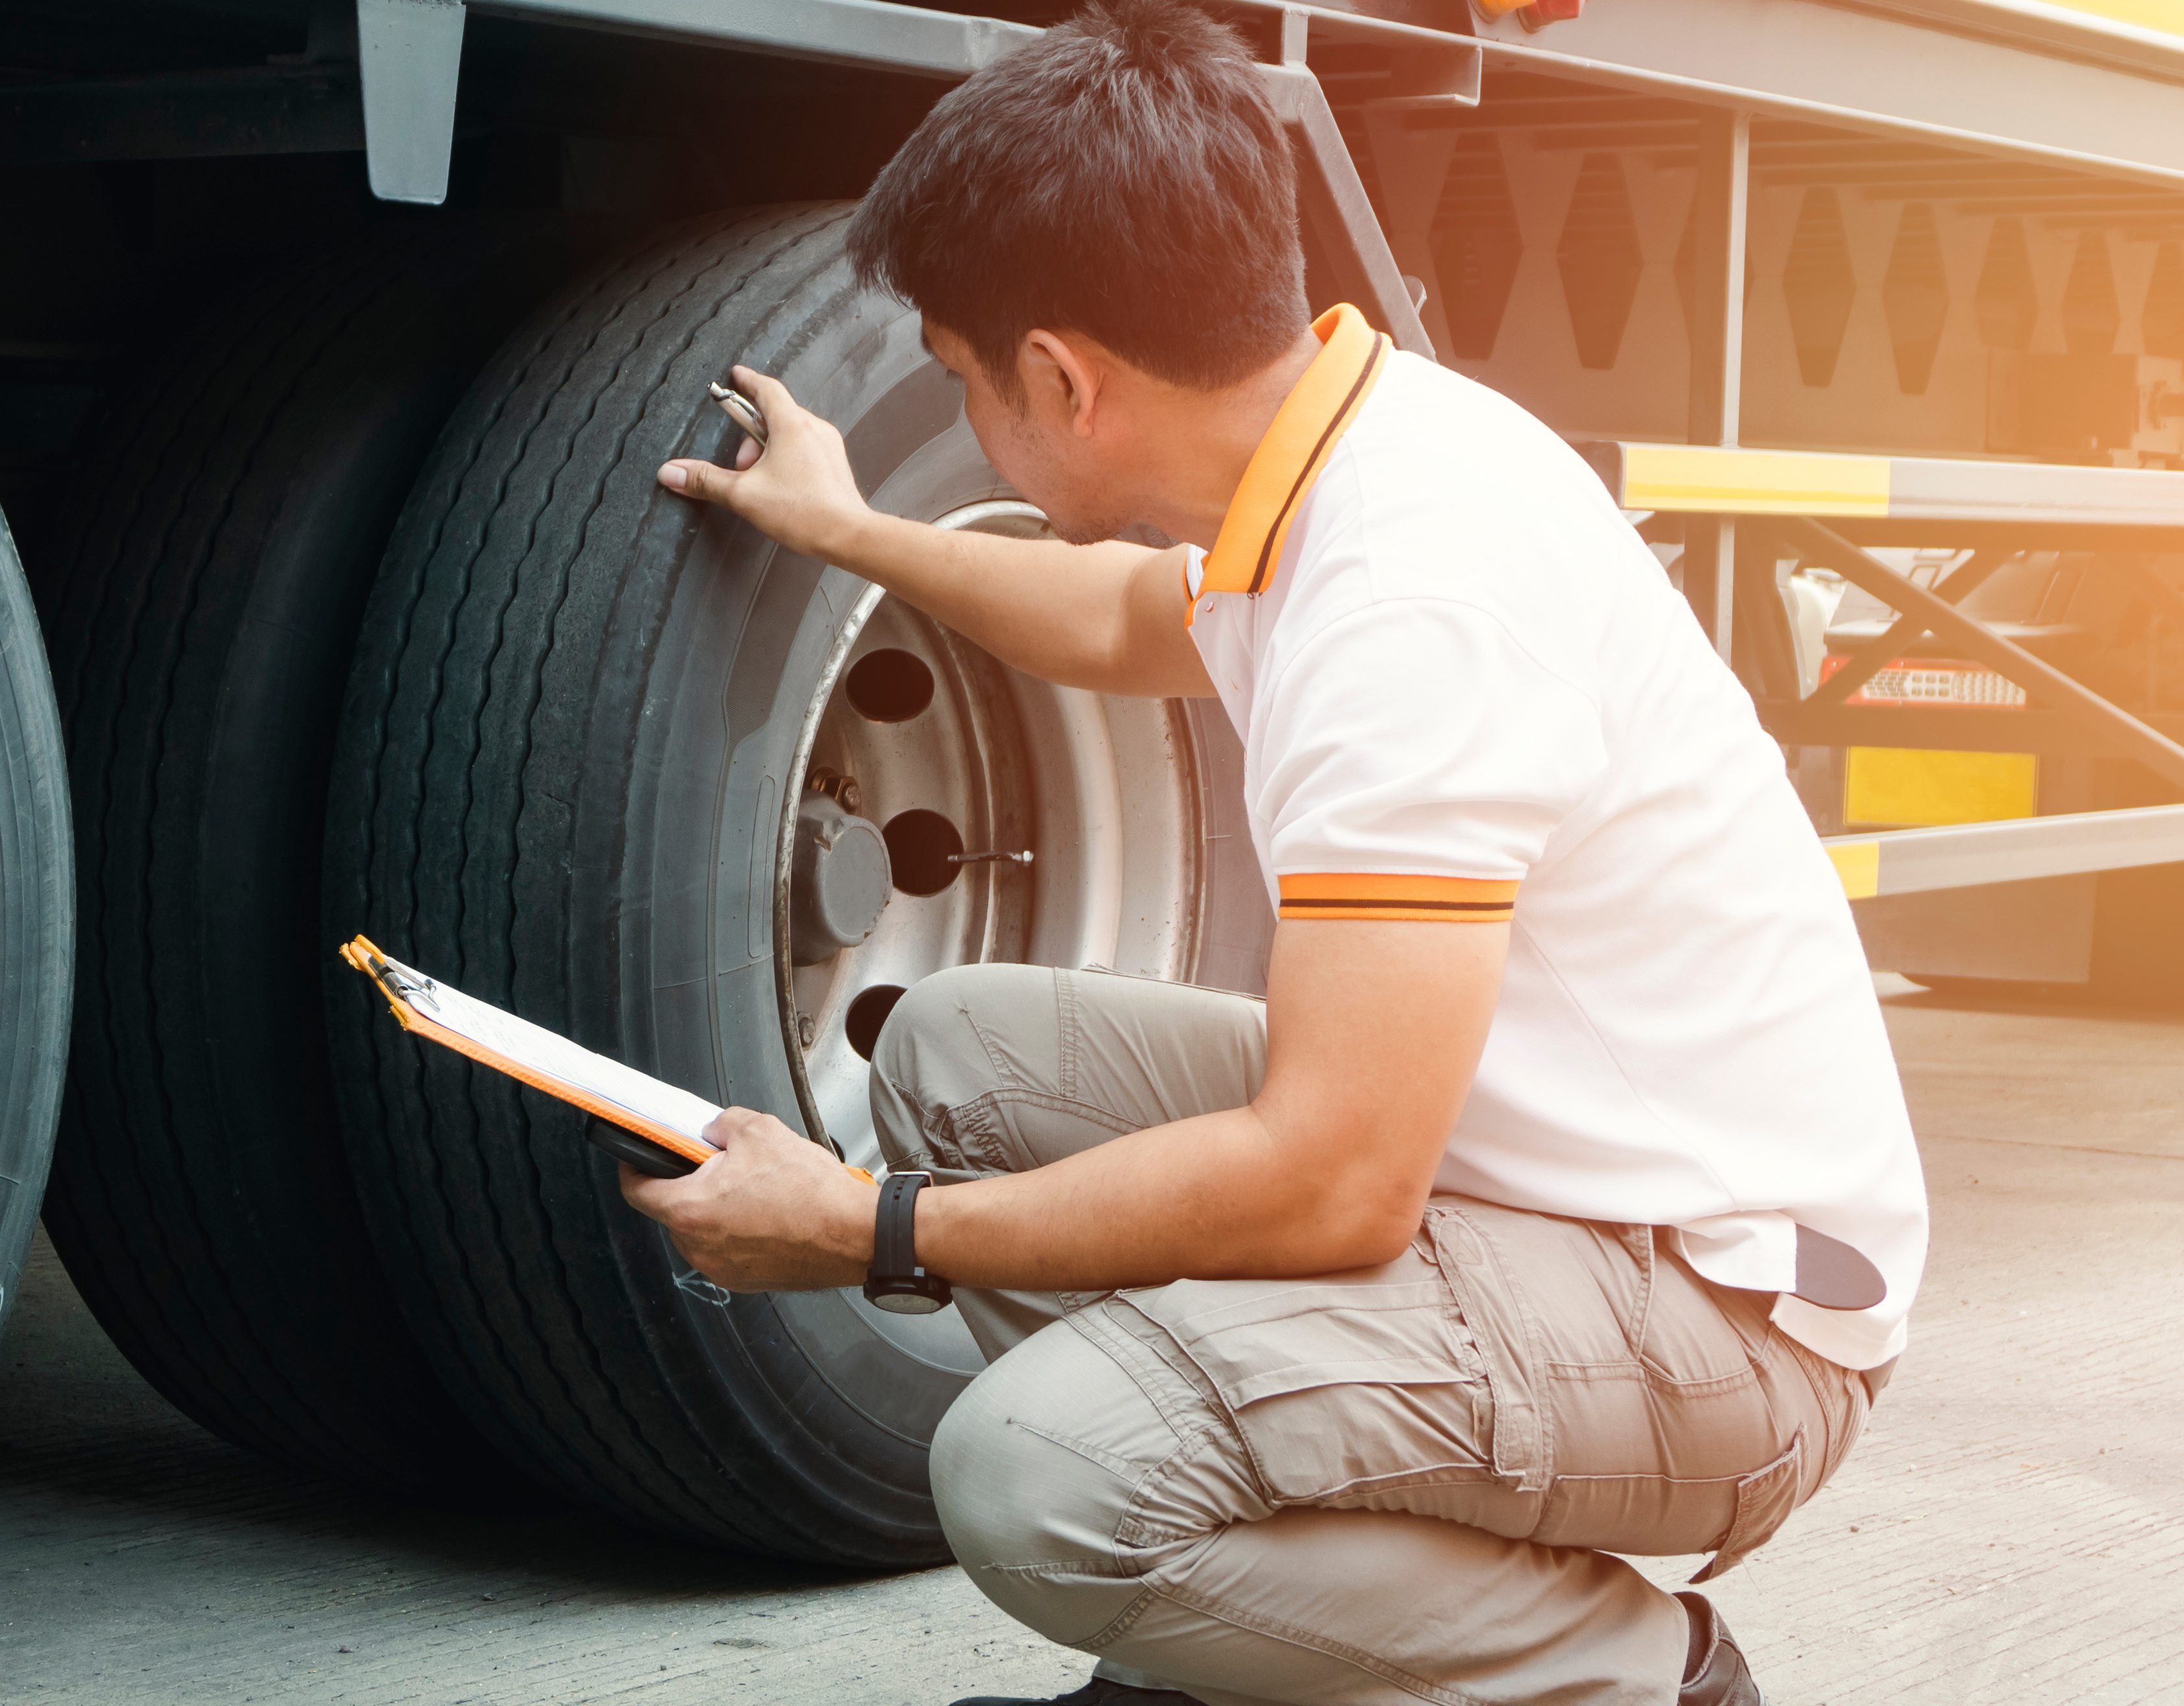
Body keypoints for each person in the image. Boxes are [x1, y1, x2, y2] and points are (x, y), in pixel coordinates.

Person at [620, 5, 1927, 1703]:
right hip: (1545, 1189)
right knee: (961, 1056)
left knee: (1039, 1477)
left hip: (1722, 1322)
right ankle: (1253, 1637)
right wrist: (849, 527)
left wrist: (868, 1225)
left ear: (1064, 381)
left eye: (958, 374)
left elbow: (1331, 1178)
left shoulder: (1408, 602)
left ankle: (1627, 1673)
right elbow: (1111, 612)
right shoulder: (1336, 453)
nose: (958, 397)